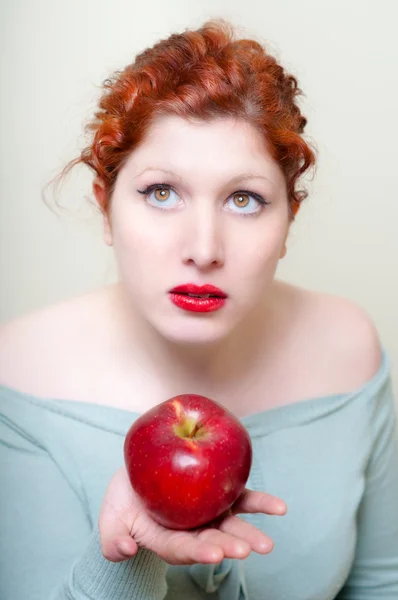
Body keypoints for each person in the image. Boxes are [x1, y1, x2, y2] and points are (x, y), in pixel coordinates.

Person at [0, 17, 397, 600]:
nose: (204, 250)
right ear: (104, 205)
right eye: (161, 193)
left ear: (289, 222)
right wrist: (124, 553)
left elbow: (382, 581)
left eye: (245, 199)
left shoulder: (348, 348)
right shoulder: (21, 370)